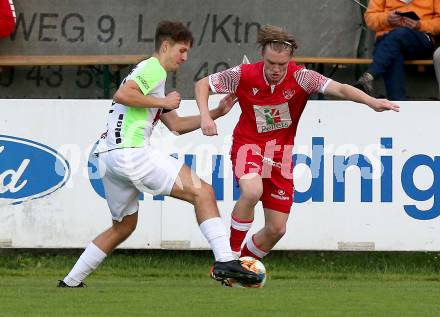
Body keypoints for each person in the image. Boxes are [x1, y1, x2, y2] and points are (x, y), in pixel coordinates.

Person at [58, 21, 261, 288]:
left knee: (123, 226)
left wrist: (215, 113)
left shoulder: (151, 77)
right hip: (131, 154)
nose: (185, 57)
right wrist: (163, 101)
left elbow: (175, 126)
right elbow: (123, 94)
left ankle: (71, 281)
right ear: (165, 46)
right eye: (182, 50)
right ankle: (225, 260)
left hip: (109, 159)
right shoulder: (153, 69)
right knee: (204, 192)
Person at [195, 25, 399, 262]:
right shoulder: (243, 73)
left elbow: (341, 89)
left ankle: (241, 267)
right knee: (252, 191)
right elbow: (203, 84)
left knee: (276, 229)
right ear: (262, 55)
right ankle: (227, 258)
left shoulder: (303, 77)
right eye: (271, 62)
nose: (276, 69)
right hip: (248, 146)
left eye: (282, 64)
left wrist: (371, 102)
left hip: (280, 155)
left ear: (291, 59)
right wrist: (205, 115)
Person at [355, 0, 440, 101]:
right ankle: (398, 104)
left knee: (398, 35)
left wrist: (420, 25)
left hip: (421, 39)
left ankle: (371, 74)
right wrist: (386, 19)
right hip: (388, 42)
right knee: (393, 50)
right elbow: (370, 19)